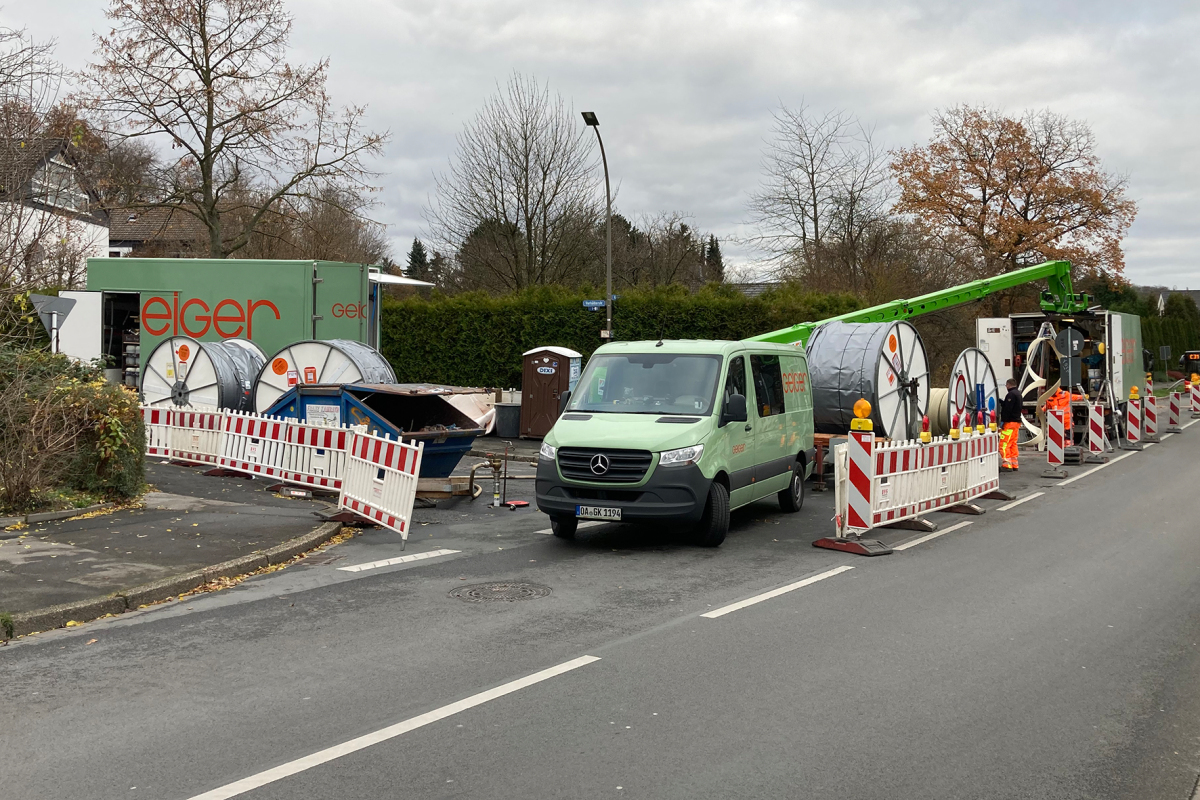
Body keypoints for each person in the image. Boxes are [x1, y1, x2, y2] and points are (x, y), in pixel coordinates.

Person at [999, 379, 1023, 471]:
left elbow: (1007, 410)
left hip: (1009, 423)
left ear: (1008, 385)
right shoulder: (1018, 394)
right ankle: (1014, 464)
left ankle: (1006, 465)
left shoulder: (1011, 395)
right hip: (1016, 423)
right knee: (1012, 444)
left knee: (1004, 444)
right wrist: (1003, 403)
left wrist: (1002, 421)